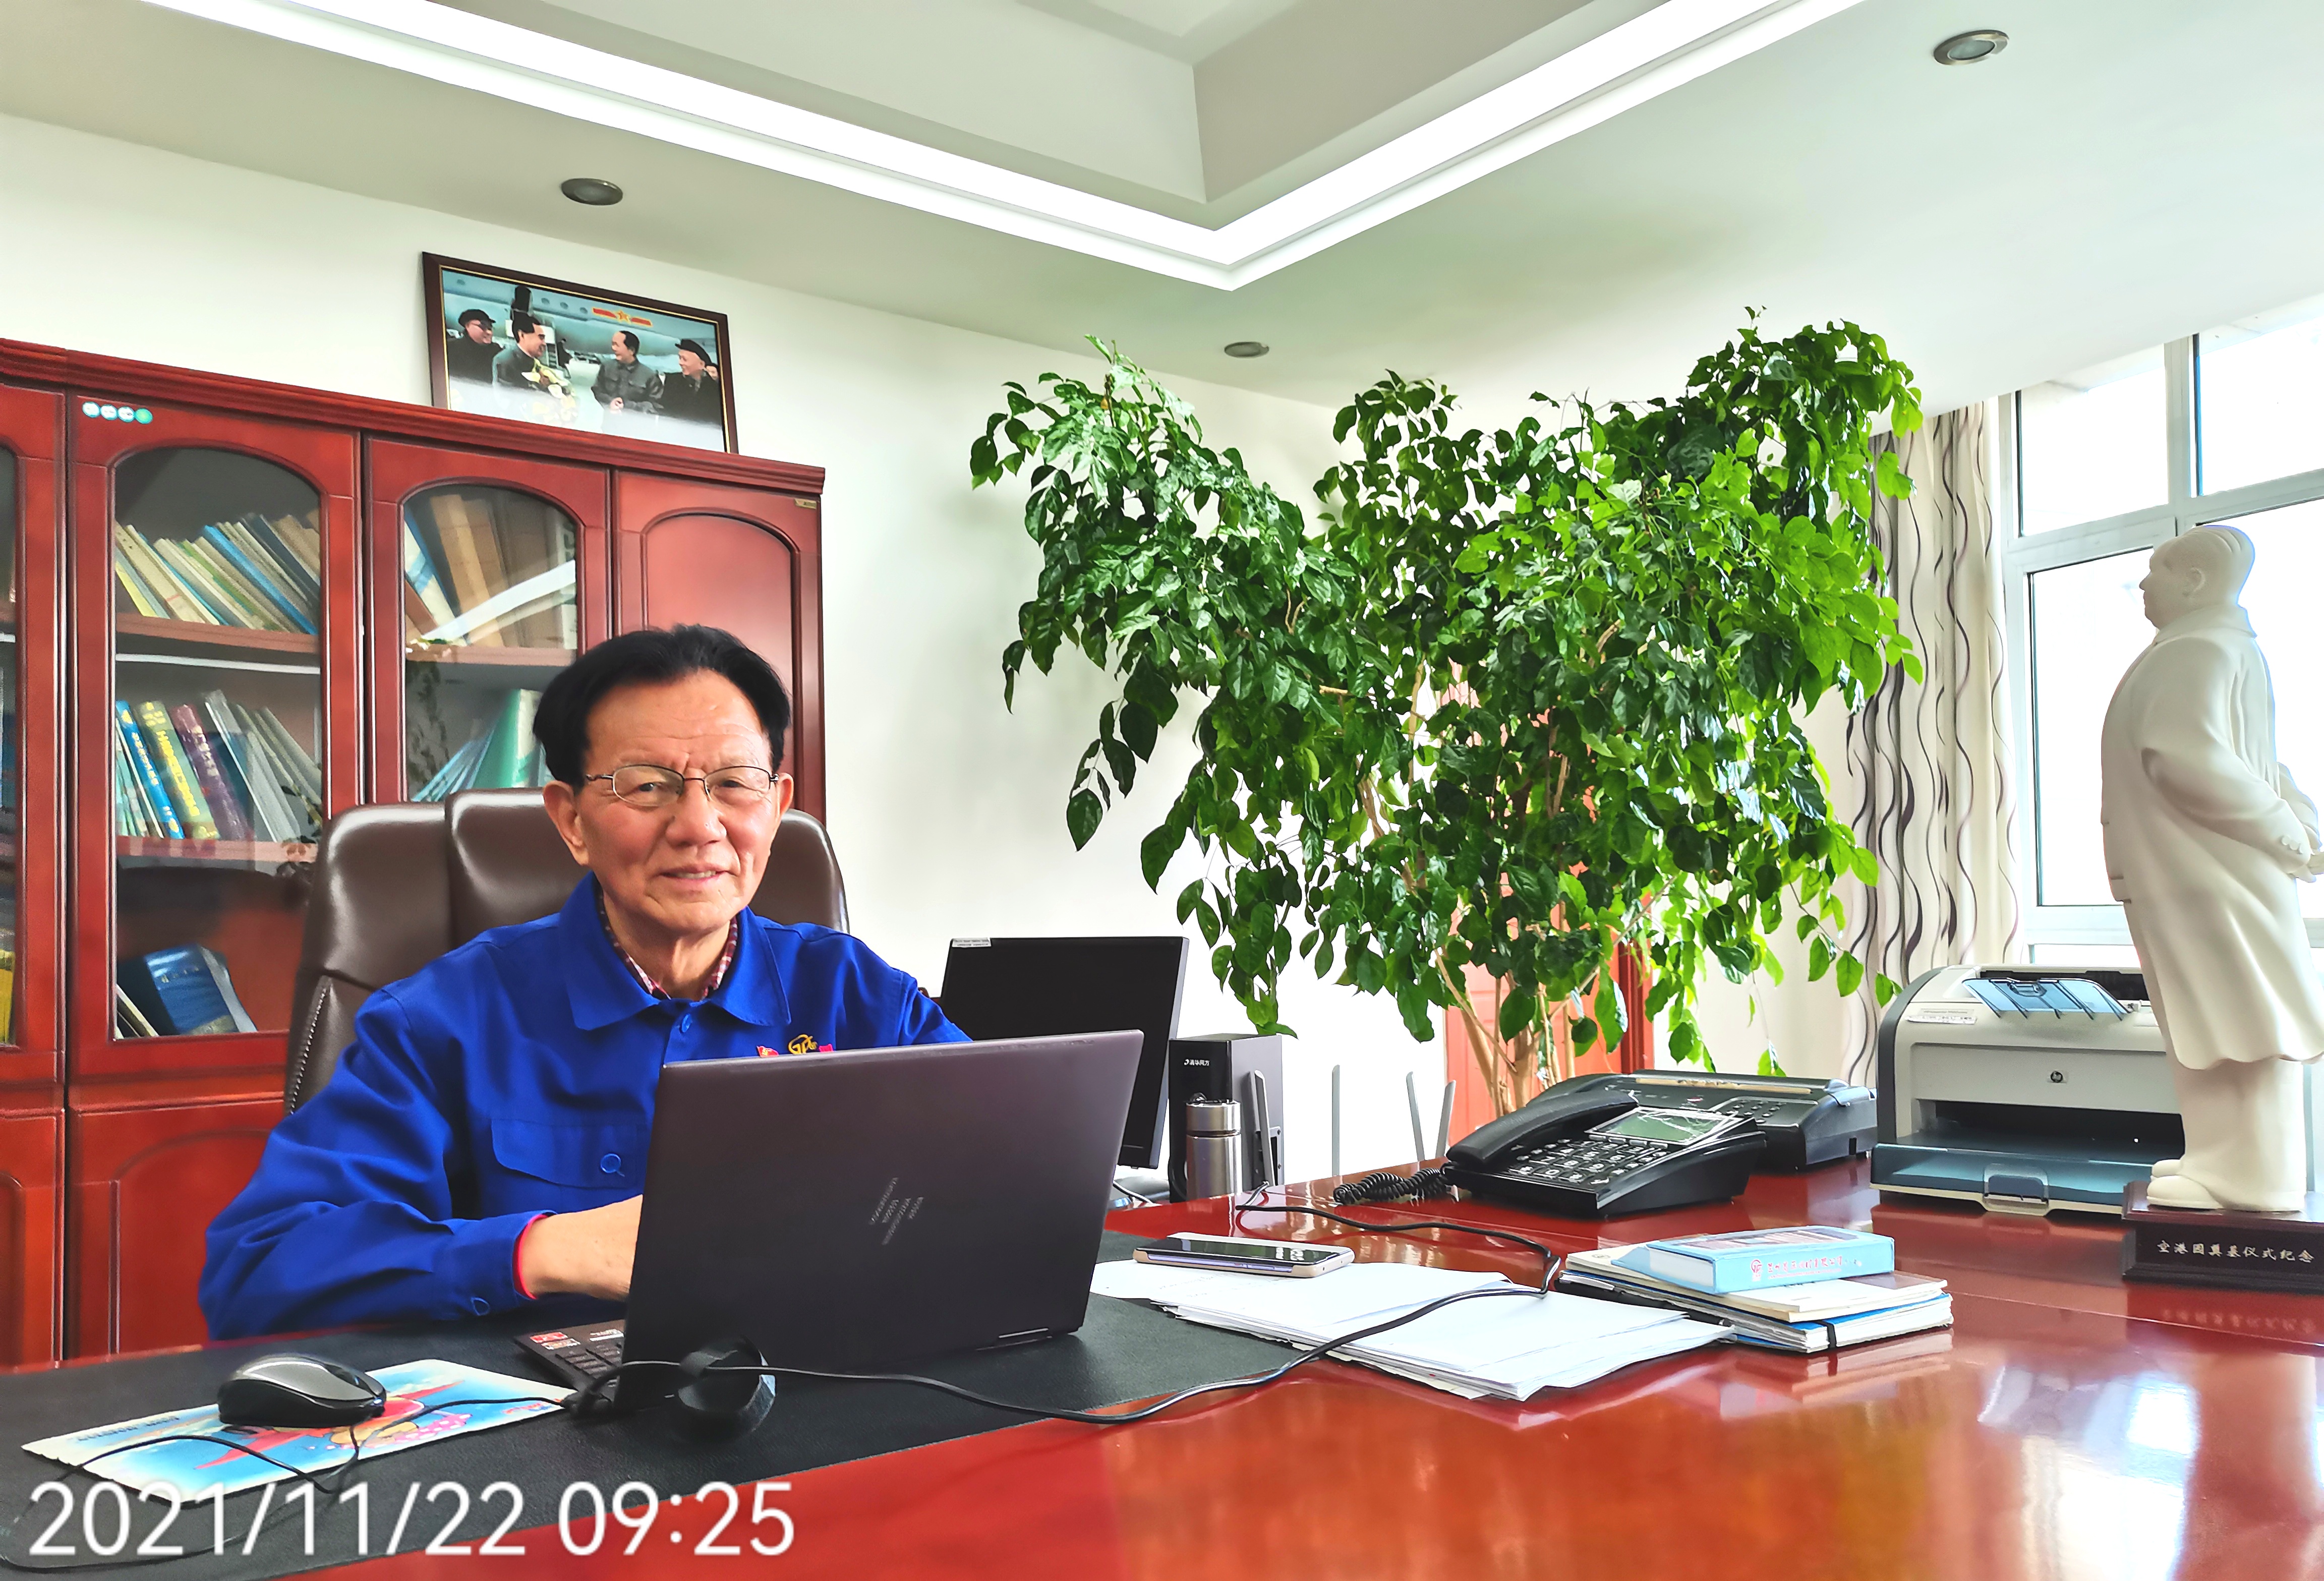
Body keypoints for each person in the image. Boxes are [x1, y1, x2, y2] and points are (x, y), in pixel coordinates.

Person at [200, 625, 966, 1338]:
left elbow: (998, 1174)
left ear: (777, 806)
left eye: (735, 783)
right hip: (560, 1417)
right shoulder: (442, 1020)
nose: (700, 825)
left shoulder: (856, 993)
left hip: (822, 1384)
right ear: (571, 820)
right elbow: (258, 1267)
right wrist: (543, 1250)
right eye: (648, 786)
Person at [2101, 524, 2324, 1212]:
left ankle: (2251, 1177)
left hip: (2207, 872)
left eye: (2156, 573)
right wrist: (2299, 825)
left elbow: (2187, 757)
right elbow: (2264, 762)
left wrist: (2289, 833)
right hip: (2205, 871)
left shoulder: (2197, 650)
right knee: (2225, 1021)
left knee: (2238, 1022)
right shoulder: (2216, 647)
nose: (2144, 585)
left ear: (2194, 581)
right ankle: (2224, 1160)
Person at [655, 337, 723, 428]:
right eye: (680, 358)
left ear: (701, 365)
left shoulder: (715, 389)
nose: (680, 363)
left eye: (685, 359)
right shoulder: (671, 381)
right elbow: (663, 411)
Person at [591, 329, 661, 418]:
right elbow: (597, 390)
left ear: (632, 351)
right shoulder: (607, 367)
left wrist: (627, 406)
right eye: (613, 344)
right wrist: (610, 402)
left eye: (617, 345)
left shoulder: (650, 375)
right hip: (610, 421)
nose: (614, 348)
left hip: (635, 423)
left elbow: (655, 405)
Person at [493, 311, 553, 389]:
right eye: (541, 338)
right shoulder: (505, 361)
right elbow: (507, 395)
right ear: (522, 335)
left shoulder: (535, 362)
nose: (544, 344)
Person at [444, 308, 499, 384]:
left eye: (490, 328)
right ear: (468, 326)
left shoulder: (497, 352)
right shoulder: (451, 348)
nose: (489, 332)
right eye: (482, 326)